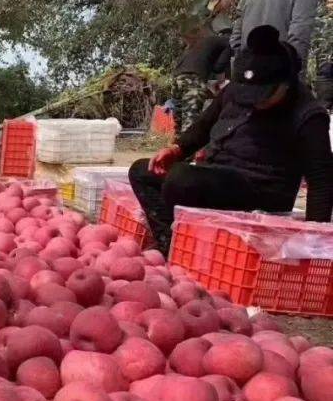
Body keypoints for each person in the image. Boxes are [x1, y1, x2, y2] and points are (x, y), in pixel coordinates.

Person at [130, 25, 333, 255]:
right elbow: (204, 125)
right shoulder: (236, 89)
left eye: (262, 96)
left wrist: (314, 241)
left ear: (285, 84)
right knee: (143, 171)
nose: (254, 102)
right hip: (219, 173)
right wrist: (177, 149)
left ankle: (184, 248)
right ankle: (172, 244)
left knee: (182, 180)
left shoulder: (307, 114)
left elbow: (321, 180)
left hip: (260, 189)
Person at [170, 0, 237, 135]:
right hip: (194, 77)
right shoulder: (225, 41)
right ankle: (187, 154)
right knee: (190, 124)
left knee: (178, 123)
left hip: (177, 75)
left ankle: (175, 153)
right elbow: (219, 67)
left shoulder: (201, 40)